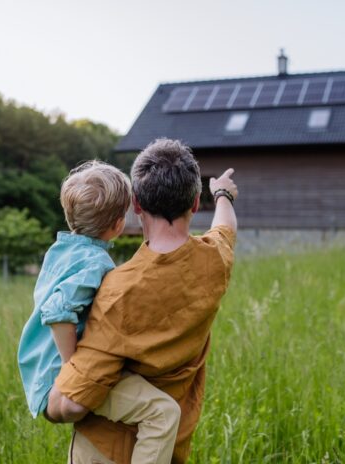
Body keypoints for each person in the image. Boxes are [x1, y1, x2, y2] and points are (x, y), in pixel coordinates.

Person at [47, 138, 239, 463]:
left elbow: (71, 403)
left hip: (105, 451)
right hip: (165, 450)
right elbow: (225, 227)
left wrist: (51, 405)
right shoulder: (216, 260)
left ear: (135, 204)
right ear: (194, 203)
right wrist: (222, 193)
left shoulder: (116, 291)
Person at [17, 160, 182, 464]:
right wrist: (73, 371)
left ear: (70, 217)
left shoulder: (60, 251)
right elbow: (58, 310)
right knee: (163, 412)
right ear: (119, 224)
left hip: (39, 374)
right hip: (59, 377)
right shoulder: (96, 263)